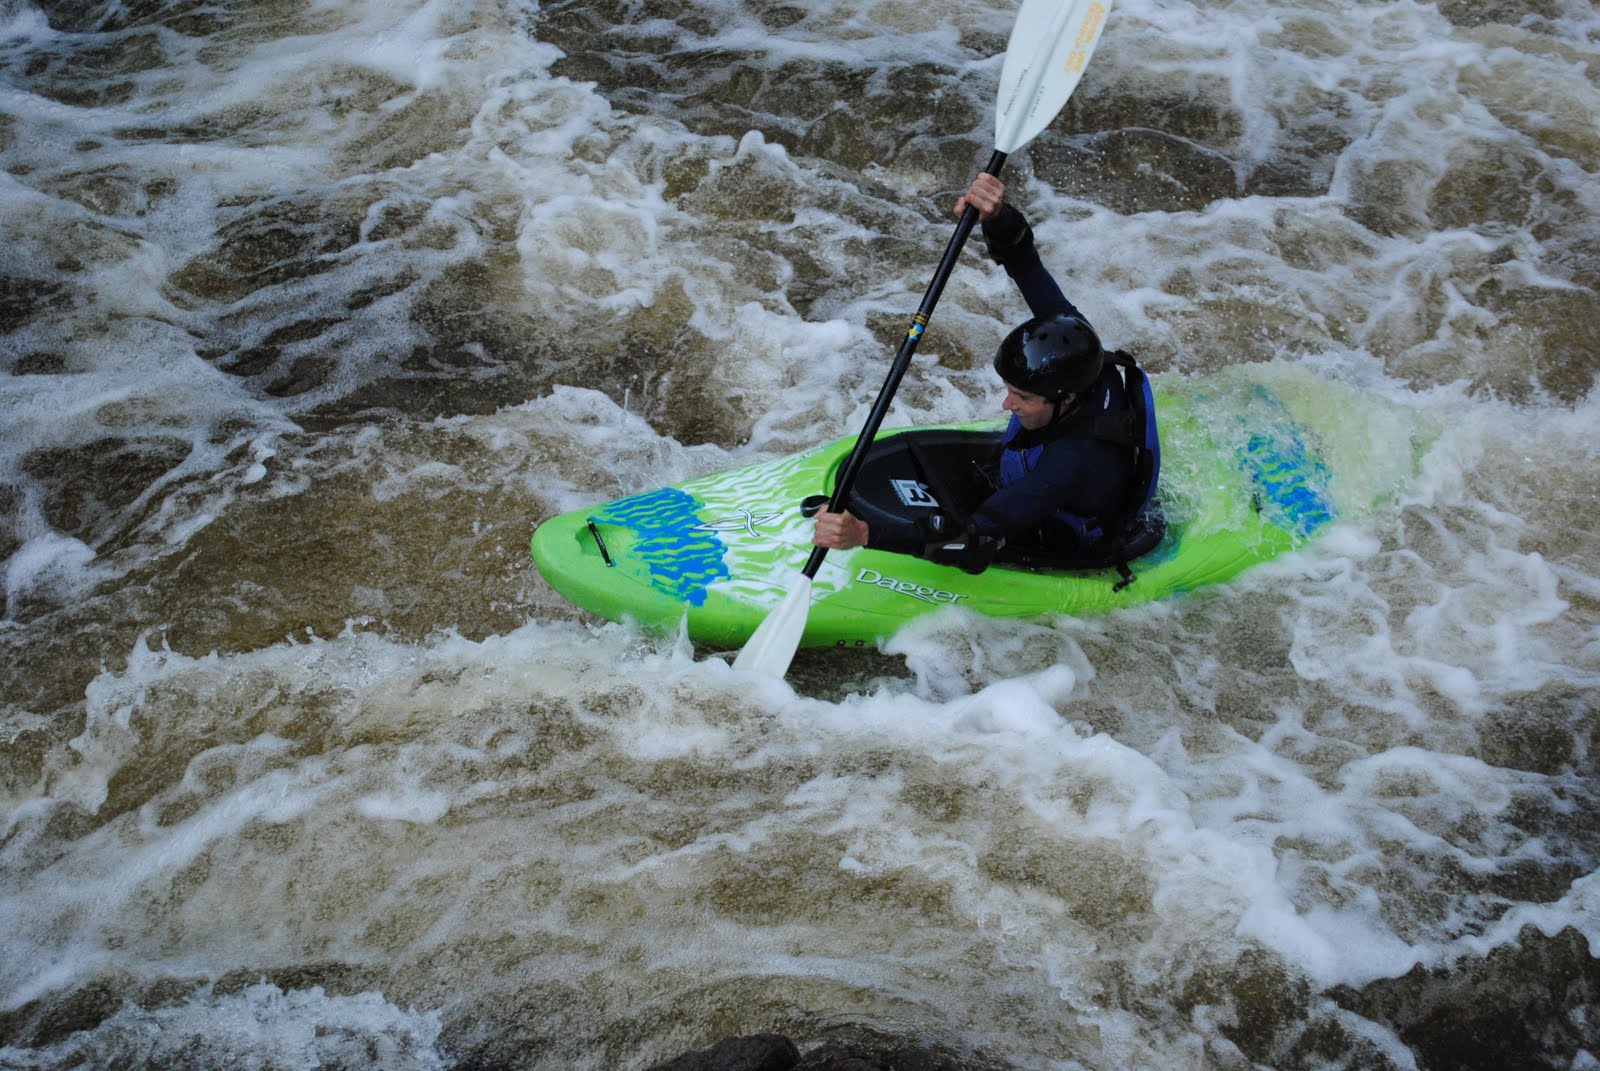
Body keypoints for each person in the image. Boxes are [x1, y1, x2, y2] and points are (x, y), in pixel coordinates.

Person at [813, 173, 1161, 576]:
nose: (1007, 405)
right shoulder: (1078, 348)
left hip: (1062, 529)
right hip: (1052, 478)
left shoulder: (1073, 461)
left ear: (1066, 398)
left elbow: (973, 542)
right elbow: (1025, 263)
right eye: (1010, 390)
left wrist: (865, 534)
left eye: (1023, 398)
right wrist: (997, 216)